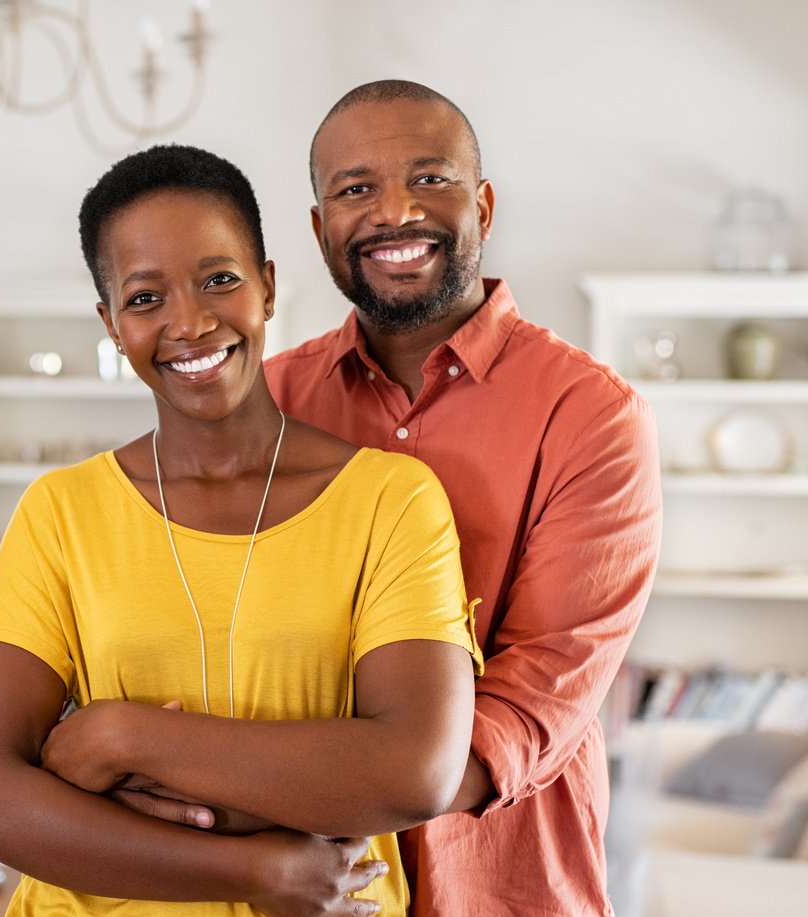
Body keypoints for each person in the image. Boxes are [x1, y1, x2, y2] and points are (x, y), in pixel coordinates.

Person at [0, 143, 484, 917]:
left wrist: (122, 737)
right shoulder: (62, 511)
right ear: (111, 322)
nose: (189, 323)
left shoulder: (390, 500)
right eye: (144, 298)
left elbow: (413, 772)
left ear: (266, 284)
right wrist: (261, 870)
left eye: (219, 280)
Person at [262, 80, 663, 915]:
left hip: (500, 883)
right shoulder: (266, 404)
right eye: (355, 189)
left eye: (431, 178)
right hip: (278, 885)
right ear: (318, 228)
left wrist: (255, 790)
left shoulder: (591, 414)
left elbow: (534, 698)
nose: (395, 211)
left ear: (482, 204)